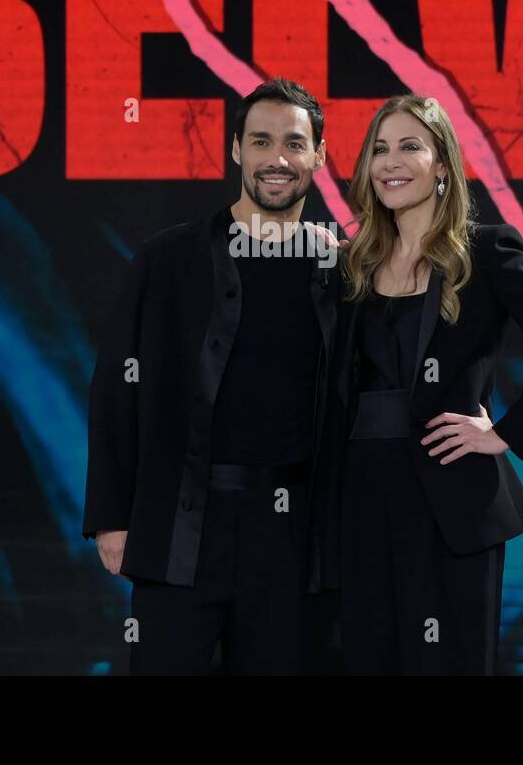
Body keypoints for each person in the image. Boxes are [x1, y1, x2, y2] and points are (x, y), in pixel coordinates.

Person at [313, 93, 523, 675]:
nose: (391, 162)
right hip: (360, 498)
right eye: (380, 149)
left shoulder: (486, 251)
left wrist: (506, 434)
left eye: (410, 147)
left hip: (451, 501)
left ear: (443, 163)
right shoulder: (352, 265)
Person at [83, 77, 343, 675]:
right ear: (235, 149)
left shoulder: (341, 267)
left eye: (294, 143)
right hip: (179, 527)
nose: (277, 159)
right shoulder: (168, 258)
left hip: (294, 540)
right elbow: (116, 388)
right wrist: (111, 517)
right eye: (260, 141)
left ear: (319, 155)